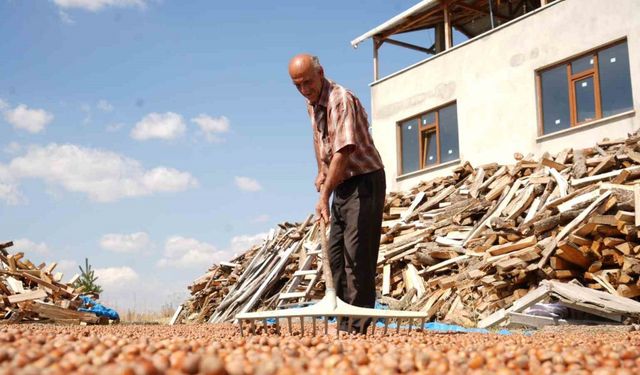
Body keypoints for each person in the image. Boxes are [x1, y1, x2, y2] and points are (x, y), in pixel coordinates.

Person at [288, 53, 386, 332]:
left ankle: (358, 327)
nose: (304, 90)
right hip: (342, 181)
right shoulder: (312, 104)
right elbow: (320, 142)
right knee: (336, 257)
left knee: (358, 256)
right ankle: (344, 324)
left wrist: (324, 196)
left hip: (364, 180)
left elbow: (343, 151)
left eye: (308, 82)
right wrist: (321, 170)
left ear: (321, 73)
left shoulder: (339, 99)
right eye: (298, 86)